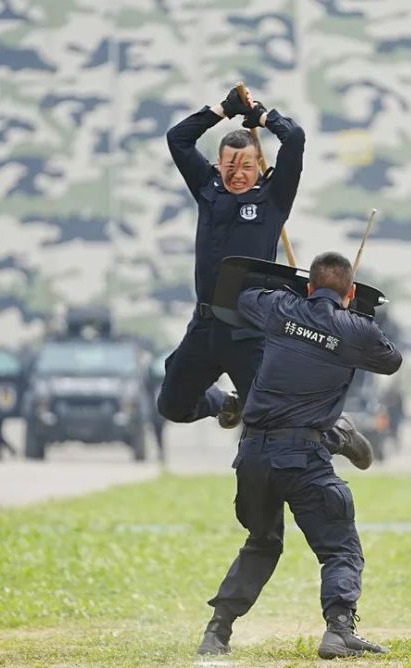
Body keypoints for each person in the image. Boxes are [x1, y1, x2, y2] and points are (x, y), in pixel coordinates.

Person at [197, 252, 402, 660]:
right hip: (302, 456)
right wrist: (356, 316)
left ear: (309, 287)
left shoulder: (278, 307)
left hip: (253, 453)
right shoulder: (356, 329)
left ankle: (216, 633)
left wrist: (294, 293)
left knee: (261, 542)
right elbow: (391, 360)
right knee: (340, 549)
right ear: (352, 290)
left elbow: (242, 296)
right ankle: (339, 631)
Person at [156, 85, 304, 433]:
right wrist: (222, 109)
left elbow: (295, 138)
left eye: (246, 166)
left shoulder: (275, 198)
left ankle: (331, 431)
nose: (237, 173)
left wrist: (266, 118)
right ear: (218, 164)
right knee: (172, 406)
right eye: (230, 166)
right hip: (205, 327)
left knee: (271, 422)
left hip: (247, 330)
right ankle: (225, 403)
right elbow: (178, 138)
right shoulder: (208, 189)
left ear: (257, 166)